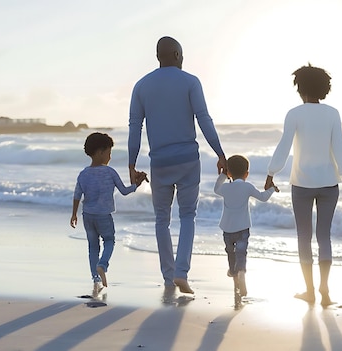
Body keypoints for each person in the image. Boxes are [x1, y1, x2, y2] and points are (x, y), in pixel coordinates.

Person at [128, 36, 227, 294]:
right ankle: (182, 272)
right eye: (181, 55)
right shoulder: (190, 82)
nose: (183, 60)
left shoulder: (142, 86)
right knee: (187, 216)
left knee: (162, 219)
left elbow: (135, 128)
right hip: (187, 161)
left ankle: (169, 276)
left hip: (159, 161)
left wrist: (131, 164)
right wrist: (221, 154)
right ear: (174, 55)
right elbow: (204, 120)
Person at [264, 64, 342, 307]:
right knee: (323, 236)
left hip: (302, 185)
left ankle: (310, 291)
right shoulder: (333, 113)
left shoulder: (294, 113)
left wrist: (271, 173)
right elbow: (340, 147)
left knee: (303, 237)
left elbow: (284, 146)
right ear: (324, 88)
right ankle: (325, 288)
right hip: (329, 184)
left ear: (300, 88)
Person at [71, 132, 147, 294]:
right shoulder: (110, 172)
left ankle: (95, 278)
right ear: (100, 152)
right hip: (104, 215)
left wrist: (74, 214)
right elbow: (125, 191)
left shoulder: (83, 174)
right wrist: (137, 184)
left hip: (87, 215)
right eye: (109, 153)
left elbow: (77, 195)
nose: (110, 157)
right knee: (109, 241)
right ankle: (102, 265)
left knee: (92, 246)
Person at [214, 155, 278, 297]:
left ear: (229, 172)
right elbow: (263, 197)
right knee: (241, 253)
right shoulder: (247, 187)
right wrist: (272, 189)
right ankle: (241, 272)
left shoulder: (225, 188)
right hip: (243, 228)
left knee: (231, 253)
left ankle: (234, 275)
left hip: (227, 228)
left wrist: (223, 175)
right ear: (246, 174)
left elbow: (216, 189)